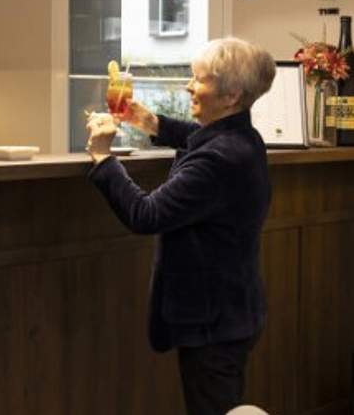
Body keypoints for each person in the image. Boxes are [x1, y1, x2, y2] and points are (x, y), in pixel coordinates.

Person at [86, 37, 276, 415]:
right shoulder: (243, 138)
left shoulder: (219, 159)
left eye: (199, 80)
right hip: (231, 314)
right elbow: (199, 138)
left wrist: (103, 158)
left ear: (231, 96)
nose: (189, 86)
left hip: (213, 324)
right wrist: (150, 122)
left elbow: (146, 214)